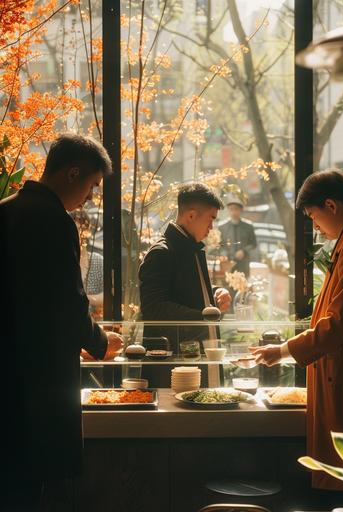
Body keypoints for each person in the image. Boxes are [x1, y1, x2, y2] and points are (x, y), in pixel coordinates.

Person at [250, 170, 343, 496]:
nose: (315, 227)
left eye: (313, 217)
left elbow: (338, 323)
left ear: (330, 205)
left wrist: (284, 350)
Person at [0, 133, 123, 510]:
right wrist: (101, 343)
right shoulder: (53, 221)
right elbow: (68, 303)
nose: (89, 198)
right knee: (27, 487)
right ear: (72, 174)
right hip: (35, 384)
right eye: (91, 186)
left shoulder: (5, 208)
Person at [139, 183, 231, 352]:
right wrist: (205, 316)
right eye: (211, 219)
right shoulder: (161, 252)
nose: (211, 228)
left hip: (193, 353)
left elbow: (186, 291)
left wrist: (214, 293)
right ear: (191, 215)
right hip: (172, 359)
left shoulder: (190, 247)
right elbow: (154, 308)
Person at [71, 209, 104, 319]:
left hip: (95, 323)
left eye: (82, 230)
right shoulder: (63, 261)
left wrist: (83, 299)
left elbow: (108, 296)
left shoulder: (97, 260)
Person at [219, 196, 257, 277]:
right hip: (228, 263)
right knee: (227, 286)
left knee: (243, 287)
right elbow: (219, 245)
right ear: (228, 210)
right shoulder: (222, 226)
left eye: (236, 209)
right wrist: (225, 254)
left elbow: (253, 243)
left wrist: (244, 251)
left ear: (241, 210)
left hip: (243, 264)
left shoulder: (248, 226)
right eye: (231, 209)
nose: (234, 212)